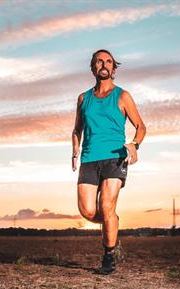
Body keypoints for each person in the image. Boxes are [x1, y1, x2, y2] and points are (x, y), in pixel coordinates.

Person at [72, 49, 146, 274]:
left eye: (108, 61)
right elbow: (77, 129)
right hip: (89, 158)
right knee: (87, 211)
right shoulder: (83, 98)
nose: (103, 64)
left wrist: (134, 144)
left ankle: (109, 255)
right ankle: (112, 220)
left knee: (106, 205)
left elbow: (141, 127)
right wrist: (75, 148)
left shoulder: (122, 96)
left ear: (113, 69)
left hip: (115, 156)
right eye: (99, 61)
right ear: (93, 67)